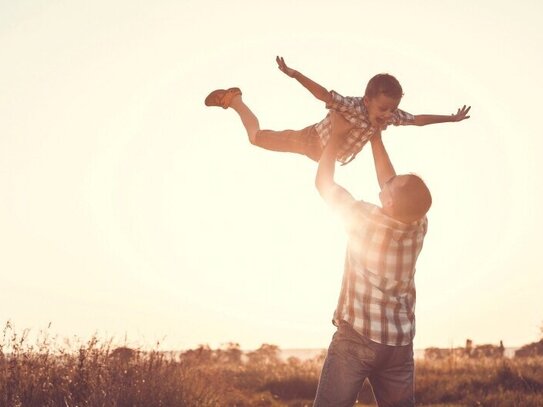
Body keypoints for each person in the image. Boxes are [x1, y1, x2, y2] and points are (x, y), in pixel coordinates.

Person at [313, 111, 432, 406]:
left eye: (392, 185)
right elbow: (391, 184)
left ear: (389, 201)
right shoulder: (418, 225)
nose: (387, 182)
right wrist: (376, 139)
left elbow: (324, 184)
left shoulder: (366, 218)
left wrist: (336, 137)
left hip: (358, 338)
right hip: (398, 344)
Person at [205, 56, 470, 165]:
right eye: (384, 108)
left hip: (327, 155)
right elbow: (323, 94)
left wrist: (451, 118)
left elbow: (419, 120)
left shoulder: (390, 116)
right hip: (309, 140)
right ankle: (235, 99)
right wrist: (295, 74)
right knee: (257, 138)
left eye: (393, 110)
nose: (388, 115)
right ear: (367, 100)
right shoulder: (352, 106)